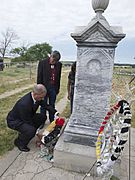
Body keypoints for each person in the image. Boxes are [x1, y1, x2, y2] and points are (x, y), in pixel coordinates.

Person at [6, 84, 57, 152]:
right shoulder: (24, 104)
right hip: (15, 121)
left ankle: (26, 133)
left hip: (27, 116)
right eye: (41, 97)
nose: (42, 99)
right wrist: (38, 134)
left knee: (42, 117)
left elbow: (45, 105)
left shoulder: (37, 97)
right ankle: (19, 142)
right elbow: (27, 121)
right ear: (35, 94)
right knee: (31, 130)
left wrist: (56, 113)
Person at [37, 50, 62, 127]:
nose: (54, 62)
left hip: (53, 88)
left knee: (52, 105)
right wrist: (39, 89)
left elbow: (58, 78)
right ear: (50, 56)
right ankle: (42, 121)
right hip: (43, 88)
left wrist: (57, 89)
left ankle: (52, 120)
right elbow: (39, 77)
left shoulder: (59, 65)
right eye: (53, 60)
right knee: (43, 106)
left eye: (56, 61)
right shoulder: (42, 63)